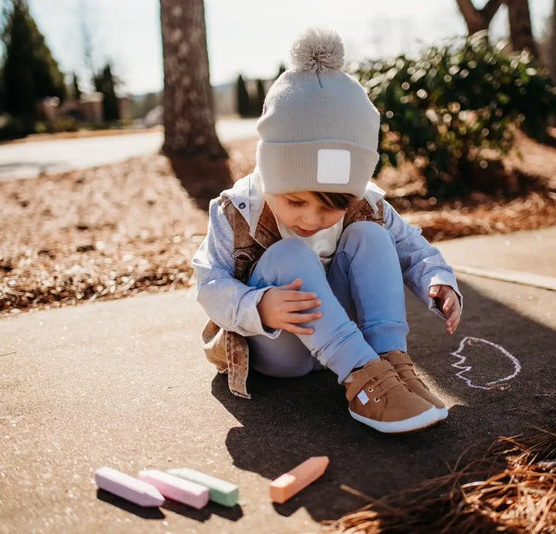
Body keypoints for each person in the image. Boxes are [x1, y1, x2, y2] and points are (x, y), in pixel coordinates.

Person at [192, 28, 462, 434]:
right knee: (290, 255)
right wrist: (258, 306)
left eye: (332, 207)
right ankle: (366, 384)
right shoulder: (238, 210)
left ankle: (390, 366)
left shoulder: (364, 203)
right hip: (283, 349)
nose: (312, 219)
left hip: (352, 338)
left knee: (373, 236)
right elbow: (209, 282)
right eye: (296, 202)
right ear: (270, 176)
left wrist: (437, 279)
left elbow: (410, 246)